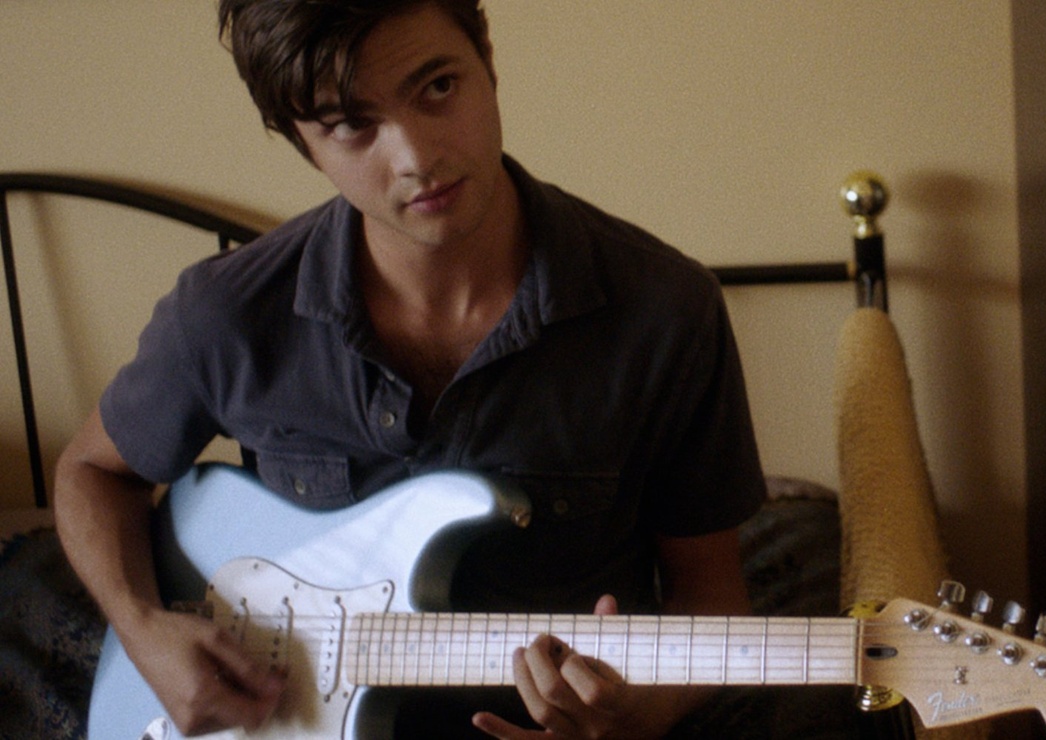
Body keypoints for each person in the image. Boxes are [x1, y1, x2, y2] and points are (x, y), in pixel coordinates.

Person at [52, 1, 766, 737]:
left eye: (438, 87)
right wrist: (141, 626)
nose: (417, 158)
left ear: (487, 59)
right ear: (302, 142)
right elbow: (90, 471)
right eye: (350, 125)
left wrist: (636, 718)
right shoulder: (226, 314)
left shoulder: (666, 311)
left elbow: (711, 597)